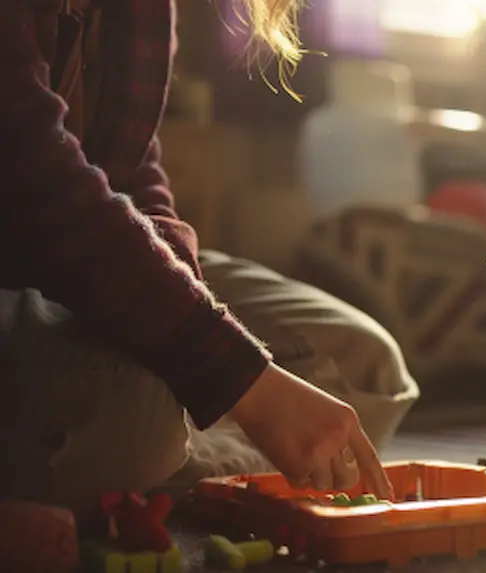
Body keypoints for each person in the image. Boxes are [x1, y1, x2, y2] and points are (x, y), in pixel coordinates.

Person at [0, 0, 419, 530]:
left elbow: (133, 171)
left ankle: (153, 457)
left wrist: (184, 314)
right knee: (141, 413)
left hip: (86, 267)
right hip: (21, 276)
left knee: (364, 364)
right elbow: (35, 183)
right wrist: (243, 383)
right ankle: (170, 454)